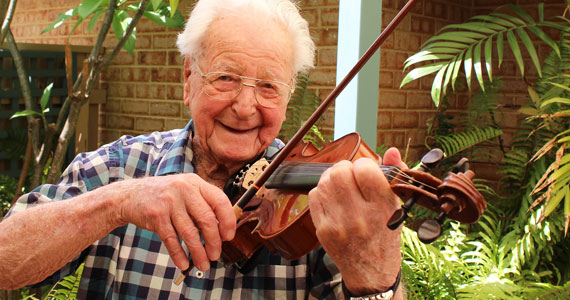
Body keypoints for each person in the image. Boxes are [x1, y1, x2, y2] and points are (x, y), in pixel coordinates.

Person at [0, 0, 405, 298]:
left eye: (268, 87)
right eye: (226, 77)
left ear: (288, 97)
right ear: (189, 79)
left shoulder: (320, 211)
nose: (245, 107)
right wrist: (118, 203)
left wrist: (375, 270)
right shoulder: (117, 168)